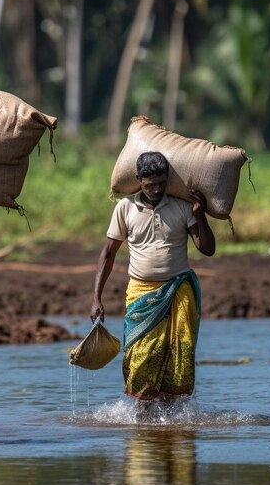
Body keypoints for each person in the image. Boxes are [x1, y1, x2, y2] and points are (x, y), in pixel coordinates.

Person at [90, 151, 215, 402]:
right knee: (140, 353)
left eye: (161, 183)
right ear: (138, 179)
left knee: (178, 353)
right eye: (150, 184)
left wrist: (200, 214)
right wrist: (96, 298)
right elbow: (108, 254)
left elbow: (207, 249)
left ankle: (172, 417)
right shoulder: (125, 208)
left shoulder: (181, 207)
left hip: (179, 290)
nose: (156, 189)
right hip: (141, 292)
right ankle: (141, 412)